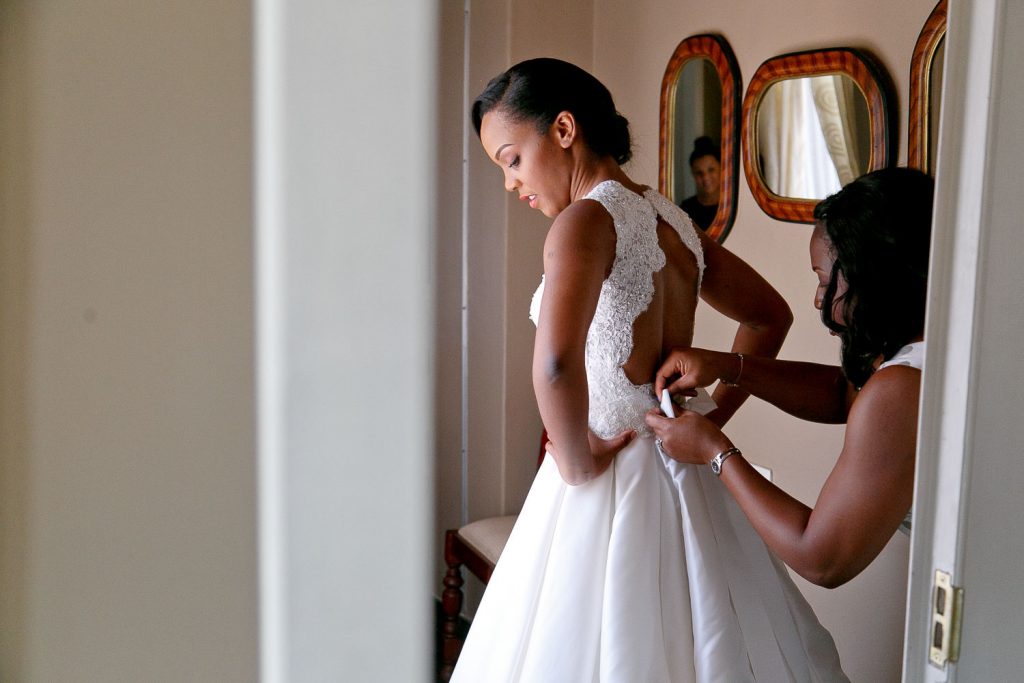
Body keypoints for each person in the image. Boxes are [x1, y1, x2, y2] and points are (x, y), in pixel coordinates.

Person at [451, 57, 848, 682]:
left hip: (608, 482)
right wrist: (711, 408)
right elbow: (770, 317)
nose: (510, 183)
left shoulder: (582, 221)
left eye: (511, 159)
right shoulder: (674, 221)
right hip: (686, 467)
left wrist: (577, 462)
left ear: (562, 130)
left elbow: (555, 363)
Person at [647, 167, 933, 589]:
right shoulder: (925, 342)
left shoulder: (901, 390)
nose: (818, 297)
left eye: (823, 279)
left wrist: (714, 450)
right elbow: (843, 394)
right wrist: (730, 365)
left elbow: (822, 559)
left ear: (871, 274)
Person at [679, 135, 721, 231]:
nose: (705, 177)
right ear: (693, 174)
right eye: (699, 173)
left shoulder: (731, 206)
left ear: (721, 169)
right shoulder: (686, 209)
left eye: (711, 170)